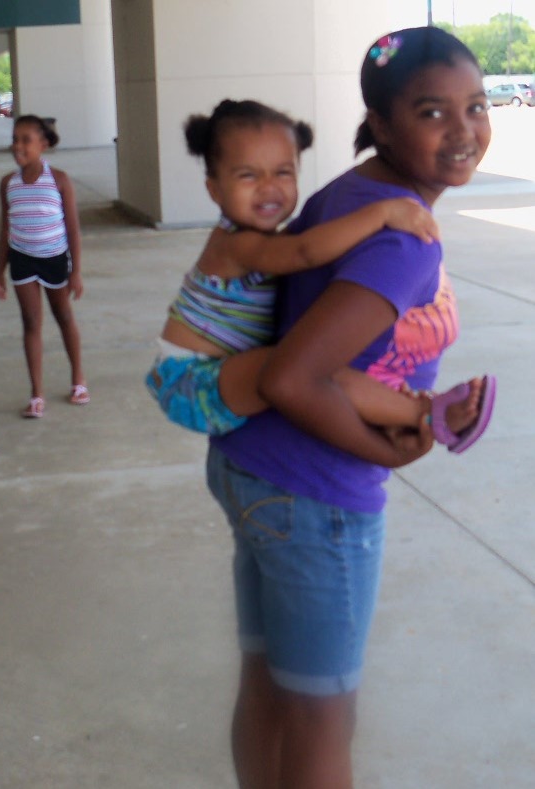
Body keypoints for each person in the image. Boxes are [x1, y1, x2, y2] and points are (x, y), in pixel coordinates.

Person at [205, 27, 496, 789]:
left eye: (476, 105)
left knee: (272, 685)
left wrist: (417, 411)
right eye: (432, 111)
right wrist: (391, 449)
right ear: (382, 123)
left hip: (253, 465)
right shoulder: (401, 239)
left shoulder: (352, 195)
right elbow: (294, 378)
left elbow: (328, 359)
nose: (463, 130)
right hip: (316, 492)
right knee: (324, 716)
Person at [147, 99, 492, 452]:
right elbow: (305, 251)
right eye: (248, 175)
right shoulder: (235, 245)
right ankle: (427, 414)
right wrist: (381, 214)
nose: (269, 187)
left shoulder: (269, 239)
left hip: (219, 373)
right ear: (215, 189)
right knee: (309, 369)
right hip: (192, 379)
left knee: (316, 367)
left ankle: (397, 413)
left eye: (283, 173)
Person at [0, 114, 88, 418]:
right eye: (15, 140)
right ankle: (36, 394)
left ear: (43, 144)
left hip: (54, 259)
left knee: (64, 316)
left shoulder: (59, 180)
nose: (18, 146)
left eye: (26, 140)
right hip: (22, 260)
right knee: (31, 323)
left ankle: (78, 380)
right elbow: (5, 229)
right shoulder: (8, 183)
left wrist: (75, 271)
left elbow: (73, 229)